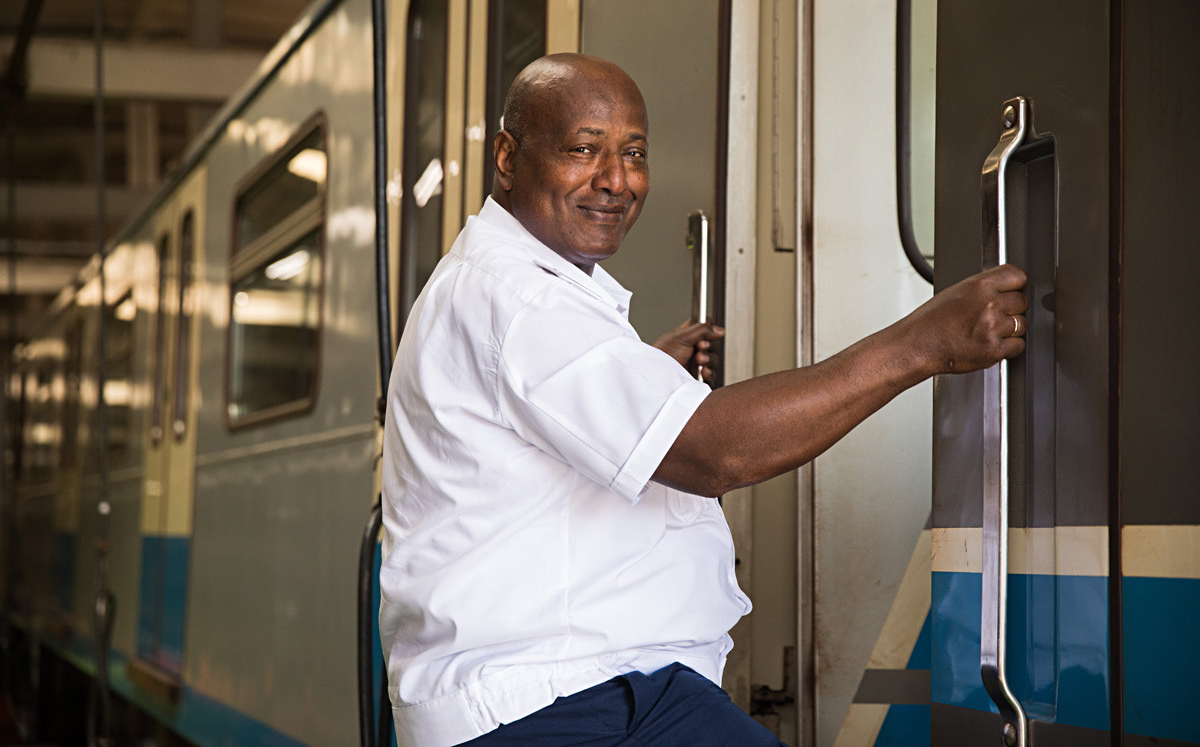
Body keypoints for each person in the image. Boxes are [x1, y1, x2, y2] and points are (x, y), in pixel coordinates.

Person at [379, 53, 1028, 746]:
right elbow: (715, 452)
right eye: (583, 150)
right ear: (508, 158)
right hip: (556, 705)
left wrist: (642, 375)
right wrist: (922, 343)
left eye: (633, 154)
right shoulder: (516, 295)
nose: (616, 181)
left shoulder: (519, 286)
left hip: (609, 692)